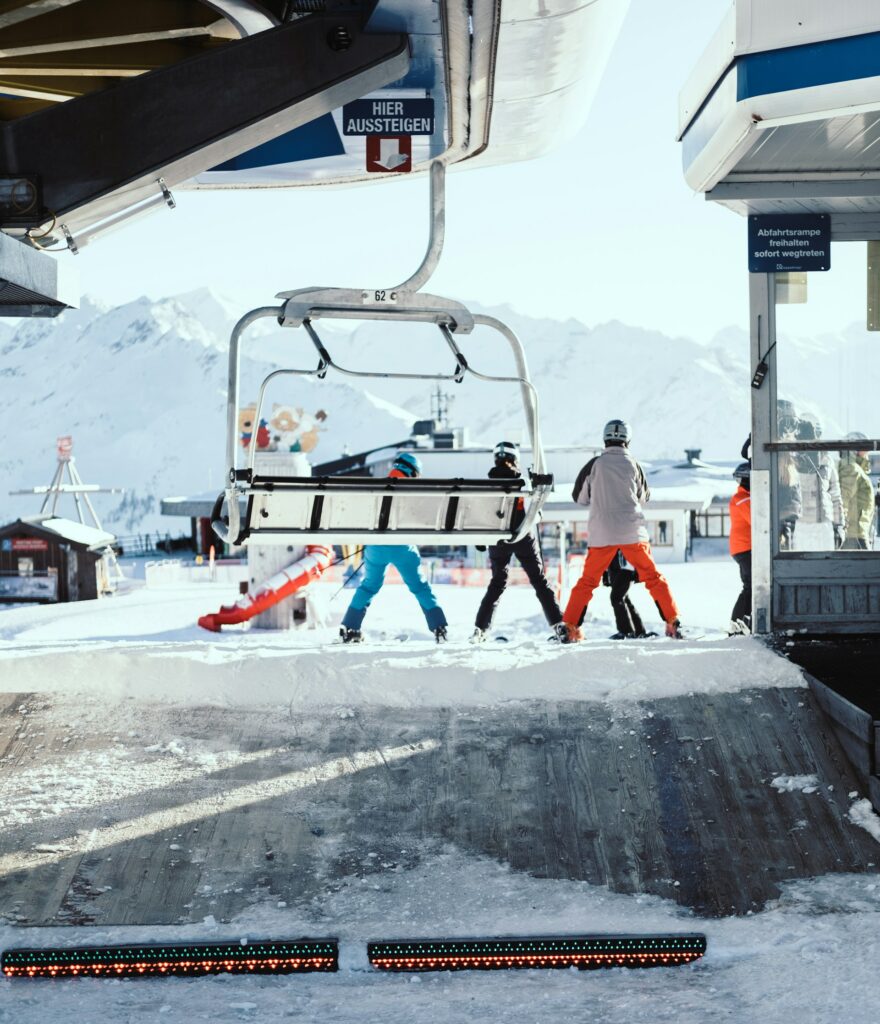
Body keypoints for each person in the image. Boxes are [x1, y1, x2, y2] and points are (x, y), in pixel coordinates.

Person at [560, 420, 682, 641]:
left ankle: (569, 627)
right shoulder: (634, 464)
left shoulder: (594, 465)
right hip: (632, 531)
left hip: (601, 533)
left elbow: (579, 498)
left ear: (605, 439)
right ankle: (673, 621)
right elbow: (644, 497)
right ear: (628, 440)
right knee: (653, 577)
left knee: (587, 582)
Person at [339, 451, 449, 642]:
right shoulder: (413, 491)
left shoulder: (376, 487)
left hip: (376, 547)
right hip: (402, 547)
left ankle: (350, 627)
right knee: (420, 587)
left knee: (369, 586)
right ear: (413, 472)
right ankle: (439, 626)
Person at [471, 441, 567, 643]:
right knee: (539, 581)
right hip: (522, 536)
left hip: (498, 538)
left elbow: (484, 515)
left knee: (497, 582)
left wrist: (481, 539)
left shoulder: (487, 485)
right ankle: (559, 625)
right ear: (515, 460)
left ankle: (481, 629)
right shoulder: (522, 481)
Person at [793, 414, 845, 551]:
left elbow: (835, 495)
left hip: (825, 524)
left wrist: (839, 525)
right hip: (801, 524)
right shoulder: (791, 459)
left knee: (826, 567)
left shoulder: (827, 460)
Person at [603, 550, 653, 639]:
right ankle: (638, 631)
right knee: (623, 598)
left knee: (616, 597)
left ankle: (626, 631)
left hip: (626, 566)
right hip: (615, 568)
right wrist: (606, 573)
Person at [839, 432, 874, 550]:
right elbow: (843, 499)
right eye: (864, 449)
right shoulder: (851, 468)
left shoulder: (854, 468)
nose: (867, 454)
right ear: (854, 450)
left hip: (856, 535)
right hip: (854, 538)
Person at [728, 462, 752, 635]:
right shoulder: (743, 498)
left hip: (744, 548)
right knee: (749, 587)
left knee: (750, 587)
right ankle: (737, 625)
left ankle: (742, 624)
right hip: (745, 548)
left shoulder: (744, 497)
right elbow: (757, 520)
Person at [776, 399, 802, 550]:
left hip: (791, 511)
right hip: (781, 511)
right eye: (785, 424)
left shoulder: (793, 451)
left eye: (792, 424)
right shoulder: (774, 453)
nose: (788, 430)